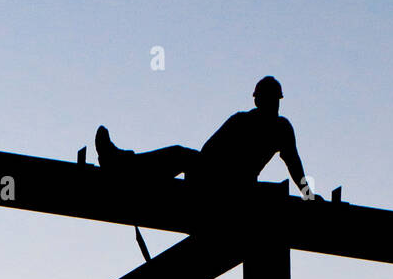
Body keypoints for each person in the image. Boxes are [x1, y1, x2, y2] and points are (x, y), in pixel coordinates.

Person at [95, 77, 322, 200]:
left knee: (179, 154)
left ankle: (121, 164)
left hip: (230, 186)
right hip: (223, 181)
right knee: (179, 155)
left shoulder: (276, 127)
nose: (273, 104)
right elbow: (210, 150)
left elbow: (295, 165)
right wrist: (308, 195)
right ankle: (124, 164)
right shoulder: (250, 122)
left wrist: (308, 195)